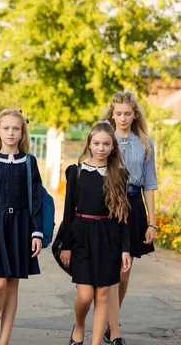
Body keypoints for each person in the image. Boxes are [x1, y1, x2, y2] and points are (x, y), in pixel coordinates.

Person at [0, 108, 44, 345]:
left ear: (22, 132)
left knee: (13, 285)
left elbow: (36, 200)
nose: (11, 133)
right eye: (6, 128)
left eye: (16, 128)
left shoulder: (29, 162)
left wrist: (36, 232)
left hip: (22, 227)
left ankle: (4, 340)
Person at [60, 121, 131, 345]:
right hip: (81, 236)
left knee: (102, 294)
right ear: (89, 144)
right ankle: (79, 325)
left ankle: (96, 342)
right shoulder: (76, 171)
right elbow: (68, 210)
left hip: (109, 238)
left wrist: (125, 249)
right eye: (97, 143)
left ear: (113, 147)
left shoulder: (119, 174)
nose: (101, 148)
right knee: (85, 296)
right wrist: (66, 245)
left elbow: (122, 216)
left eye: (106, 144)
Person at [101, 90, 157, 343]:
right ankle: (109, 324)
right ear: (112, 114)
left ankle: (113, 319)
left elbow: (150, 184)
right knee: (107, 269)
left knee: (124, 271)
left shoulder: (145, 143)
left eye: (127, 113)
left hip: (133, 206)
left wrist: (152, 222)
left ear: (135, 115)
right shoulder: (103, 138)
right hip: (106, 204)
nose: (123, 118)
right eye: (118, 113)